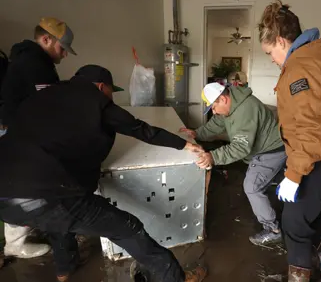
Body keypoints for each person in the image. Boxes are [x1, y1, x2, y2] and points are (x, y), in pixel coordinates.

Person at [0, 65, 207, 282]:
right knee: (128, 229)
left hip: (6, 197)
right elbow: (142, 129)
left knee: (58, 219)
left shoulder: (42, 96)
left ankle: (65, 270)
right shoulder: (96, 102)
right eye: (111, 92)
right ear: (101, 87)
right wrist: (185, 145)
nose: (111, 98)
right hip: (46, 195)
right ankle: (176, 278)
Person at [258, 0, 321, 281]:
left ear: (280, 41)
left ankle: (301, 276)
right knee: (309, 215)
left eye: (270, 52)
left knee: (294, 221)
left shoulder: (300, 69)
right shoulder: (318, 56)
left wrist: (294, 174)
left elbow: (312, 131)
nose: (272, 60)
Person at [0, 17, 76, 259]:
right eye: (62, 48)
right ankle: (15, 244)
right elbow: (47, 107)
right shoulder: (35, 63)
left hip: (16, 131)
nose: (63, 55)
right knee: (22, 188)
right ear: (46, 39)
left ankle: (24, 233)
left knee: (20, 187)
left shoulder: (28, 58)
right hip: (17, 134)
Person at [181, 82, 286, 246]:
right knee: (263, 181)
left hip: (271, 151)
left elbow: (240, 147)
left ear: (222, 99)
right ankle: (280, 181)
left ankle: (273, 230)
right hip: (261, 149)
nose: (214, 112)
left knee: (252, 187)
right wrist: (197, 133)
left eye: (214, 107)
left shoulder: (245, 110)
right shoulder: (232, 104)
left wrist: (213, 157)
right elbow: (217, 123)